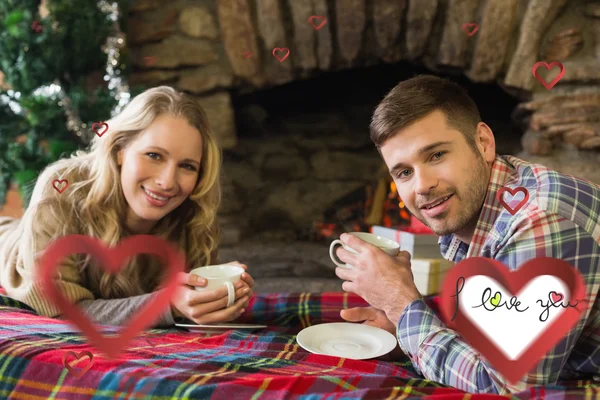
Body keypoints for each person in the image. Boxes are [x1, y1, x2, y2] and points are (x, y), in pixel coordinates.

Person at [335, 75, 600, 394]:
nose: (422, 186)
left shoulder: (538, 221)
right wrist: (410, 324)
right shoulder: (493, 203)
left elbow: (505, 387)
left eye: (436, 155)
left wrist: (401, 303)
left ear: (483, 143)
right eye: (404, 172)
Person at [0, 86, 254, 327]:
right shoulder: (62, 188)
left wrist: (219, 295)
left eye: (187, 166)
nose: (167, 182)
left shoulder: (193, 209)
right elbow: (60, 310)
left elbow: (185, 302)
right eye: (154, 155)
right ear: (120, 149)